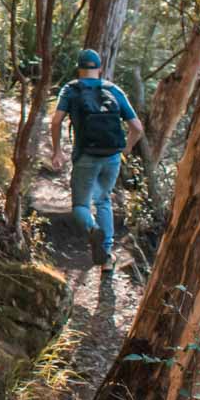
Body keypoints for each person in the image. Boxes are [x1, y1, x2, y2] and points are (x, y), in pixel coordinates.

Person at [47, 48, 145, 269]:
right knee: (103, 200)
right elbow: (137, 127)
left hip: (86, 156)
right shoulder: (113, 90)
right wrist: (126, 148)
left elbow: (56, 121)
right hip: (112, 156)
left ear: (79, 69)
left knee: (81, 205)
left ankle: (93, 230)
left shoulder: (71, 90)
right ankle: (107, 258)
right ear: (100, 68)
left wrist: (57, 151)